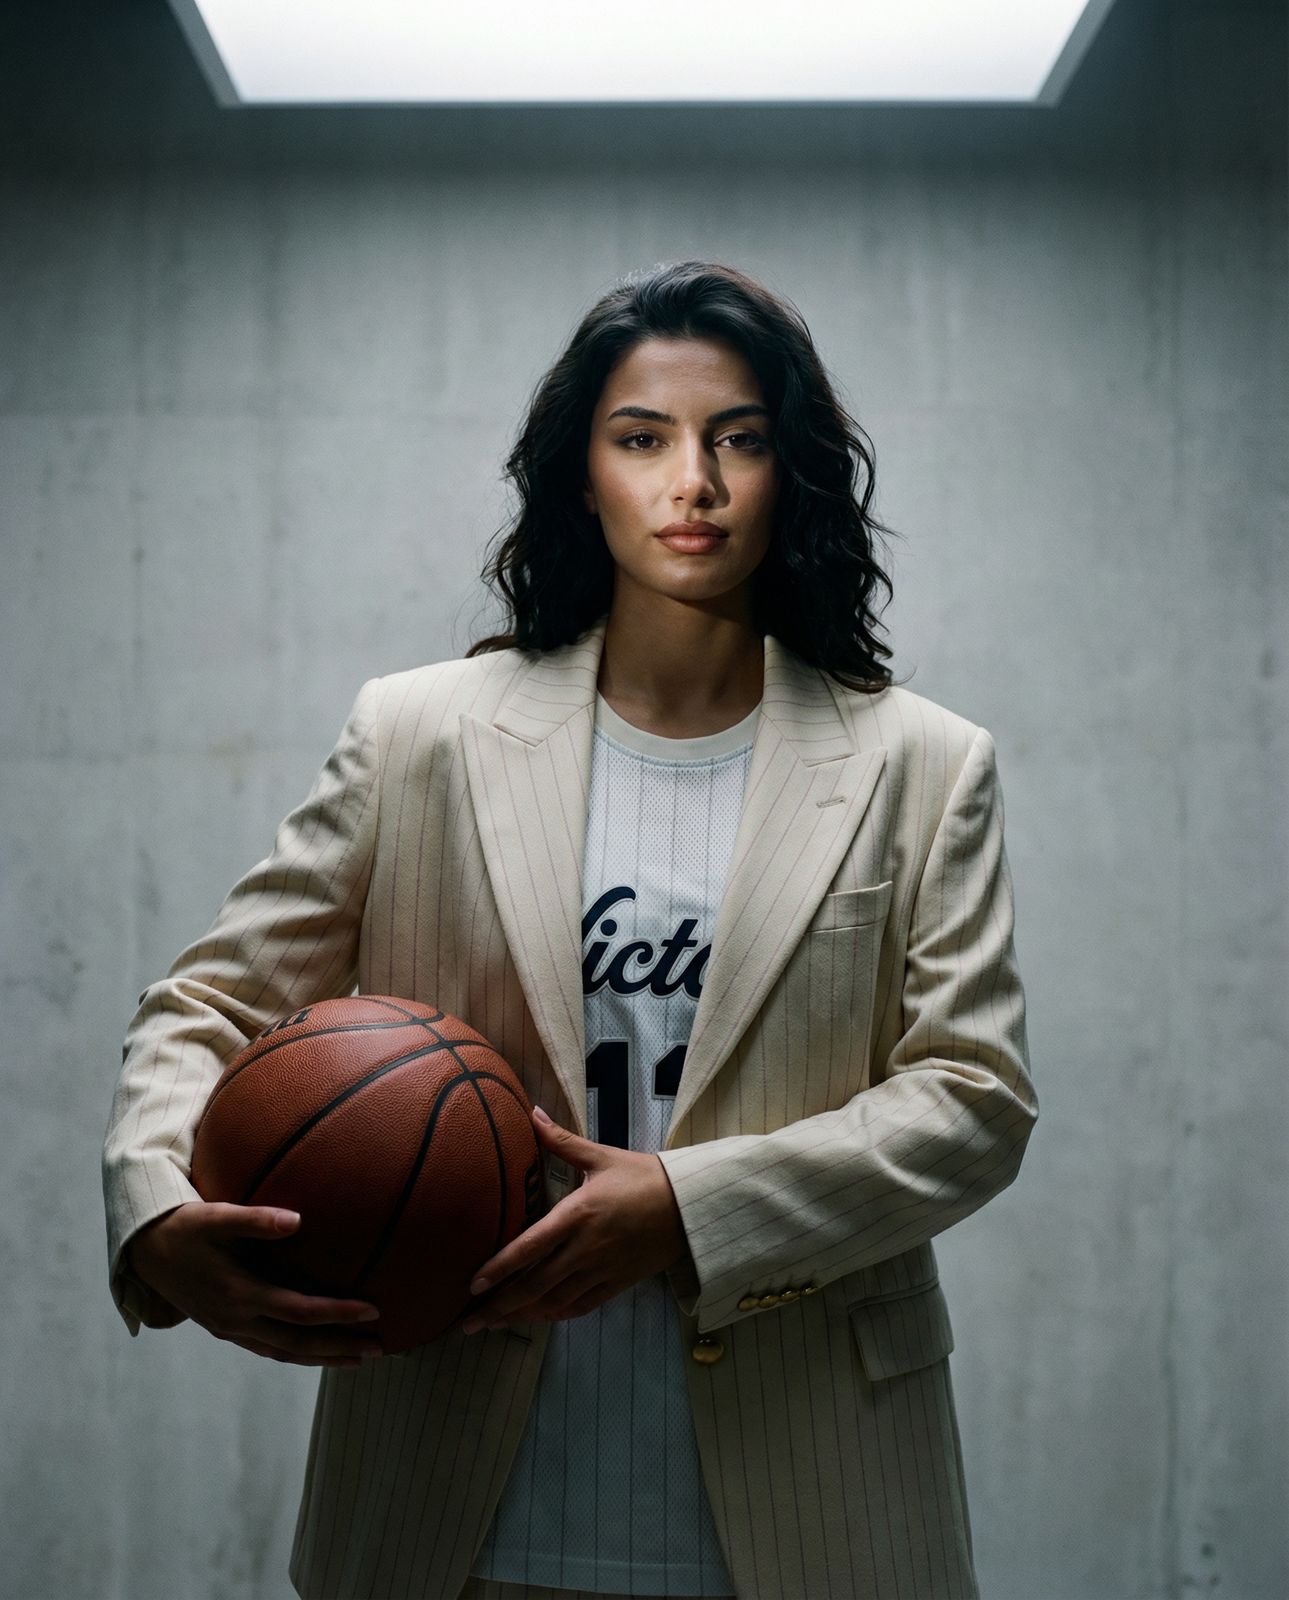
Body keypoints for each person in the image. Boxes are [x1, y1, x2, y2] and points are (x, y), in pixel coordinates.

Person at [103, 259, 1038, 1600]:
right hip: (455, 1502)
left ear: (795, 471)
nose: (693, 484)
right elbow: (208, 1007)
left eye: (740, 440)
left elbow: (974, 1100)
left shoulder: (919, 765)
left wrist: (687, 1210)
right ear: (579, 473)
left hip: (813, 1508)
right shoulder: (418, 735)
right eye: (641, 439)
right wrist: (156, 1208)